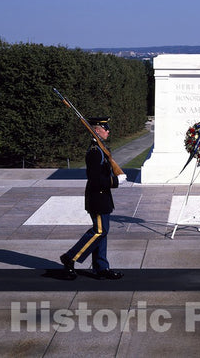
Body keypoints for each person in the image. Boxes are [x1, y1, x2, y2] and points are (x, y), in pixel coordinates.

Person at [60, 117, 124, 280]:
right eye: (105, 128)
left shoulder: (100, 150)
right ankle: (70, 257)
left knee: (103, 233)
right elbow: (95, 180)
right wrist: (115, 181)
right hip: (97, 197)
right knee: (99, 231)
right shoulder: (95, 153)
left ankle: (101, 267)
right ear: (96, 131)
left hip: (103, 198)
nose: (108, 130)